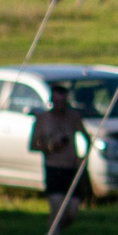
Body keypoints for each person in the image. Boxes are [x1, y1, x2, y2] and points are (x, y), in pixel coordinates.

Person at [30, 82, 89, 221]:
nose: (59, 105)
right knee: (57, 211)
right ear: (51, 101)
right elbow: (32, 145)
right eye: (56, 101)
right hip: (53, 169)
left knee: (72, 213)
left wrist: (83, 158)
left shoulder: (73, 117)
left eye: (62, 101)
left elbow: (87, 137)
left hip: (71, 169)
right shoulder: (43, 119)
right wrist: (50, 148)